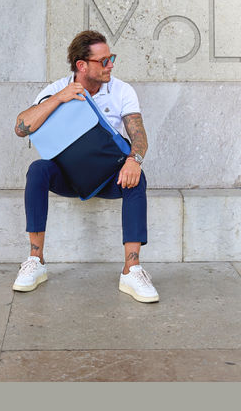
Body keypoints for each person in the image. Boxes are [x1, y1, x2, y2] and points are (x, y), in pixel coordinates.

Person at [12, 30, 158, 303]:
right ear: (81, 65)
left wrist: (134, 160)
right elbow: (21, 128)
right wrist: (59, 98)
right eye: (104, 61)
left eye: (111, 58)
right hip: (68, 175)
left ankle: (132, 270)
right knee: (38, 170)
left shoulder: (122, 90)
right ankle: (35, 261)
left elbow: (139, 136)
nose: (111, 65)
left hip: (108, 176)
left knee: (137, 177)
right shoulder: (57, 88)